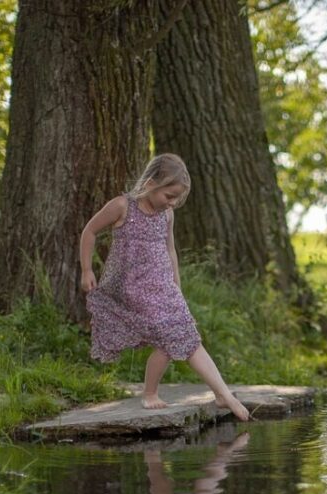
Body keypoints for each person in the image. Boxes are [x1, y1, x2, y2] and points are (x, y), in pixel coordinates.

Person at [79, 153, 250, 421]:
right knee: (169, 331)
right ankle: (156, 393)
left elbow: (170, 250)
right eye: (169, 195)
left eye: (176, 198)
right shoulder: (123, 206)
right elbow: (89, 231)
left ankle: (220, 394)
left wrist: (176, 286)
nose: (172, 202)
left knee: (185, 334)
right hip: (134, 287)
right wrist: (87, 269)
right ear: (150, 183)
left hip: (163, 287)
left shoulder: (167, 214)